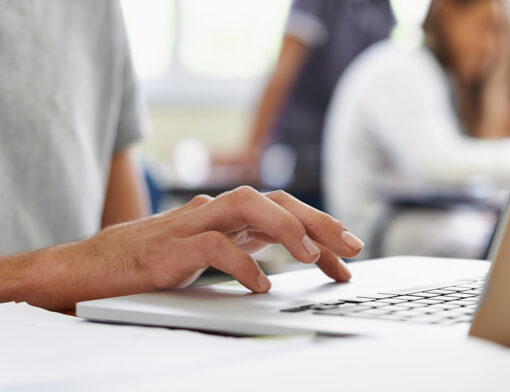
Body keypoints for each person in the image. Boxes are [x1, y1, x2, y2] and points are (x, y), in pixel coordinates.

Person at [0, 1, 365, 311]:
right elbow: (116, 259)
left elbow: (127, 245)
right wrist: (86, 266)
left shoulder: (96, 9)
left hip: (80, 346)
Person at [323, 0, 510, 258]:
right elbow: (436, 167)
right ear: (448, 12)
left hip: (414, 221)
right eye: (486, 27)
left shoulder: (438, 78)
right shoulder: (400, 68)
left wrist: (495, 90)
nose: (492, 48)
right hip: (379, 232)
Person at [216, 0, 397, 208]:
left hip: (346, 151)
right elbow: (285, 67)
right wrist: (252, 148)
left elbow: (378, 82)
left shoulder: (383, 8)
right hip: (302, 152)